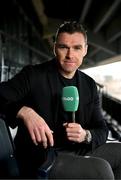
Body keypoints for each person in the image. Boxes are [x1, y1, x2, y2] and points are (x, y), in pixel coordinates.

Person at [0, 21, 120, 179]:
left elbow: (101, 129)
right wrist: (24, 111)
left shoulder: (89, 85)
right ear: (54, 48)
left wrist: (86, 135)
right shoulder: (33, 75)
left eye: (77, 48)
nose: (70, 55)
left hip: (78, 149)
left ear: (85, 50)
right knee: (101, 170)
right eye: (64, 47)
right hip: (43, 157)